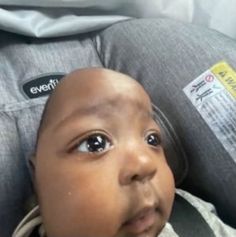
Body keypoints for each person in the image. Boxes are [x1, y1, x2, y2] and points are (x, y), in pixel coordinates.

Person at [13, 68, 236, 237]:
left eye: (152, 140)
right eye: (95, 143)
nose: (144, 162)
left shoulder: (192, 213)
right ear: (37, 175)